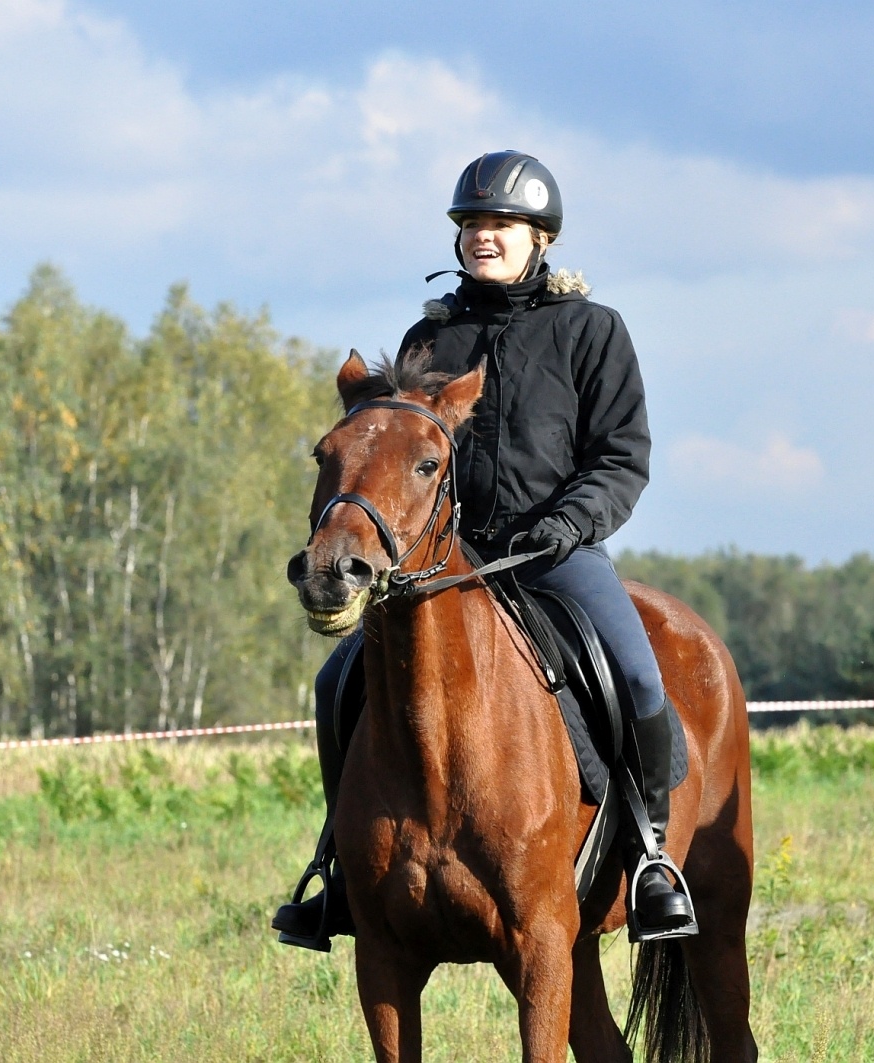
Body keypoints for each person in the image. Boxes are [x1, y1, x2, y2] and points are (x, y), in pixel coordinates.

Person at [276, 150, 692, 948]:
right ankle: (339, 868)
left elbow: (621, 456)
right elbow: (402, 455)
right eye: (470, 225)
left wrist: (566, 524)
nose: (482, 238)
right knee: (338, 682)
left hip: (554, 551)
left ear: (539, 237)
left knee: (638, 670)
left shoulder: (590, 331)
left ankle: (650, 857)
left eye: (498, 225)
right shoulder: (431, 336)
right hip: (443, 562)